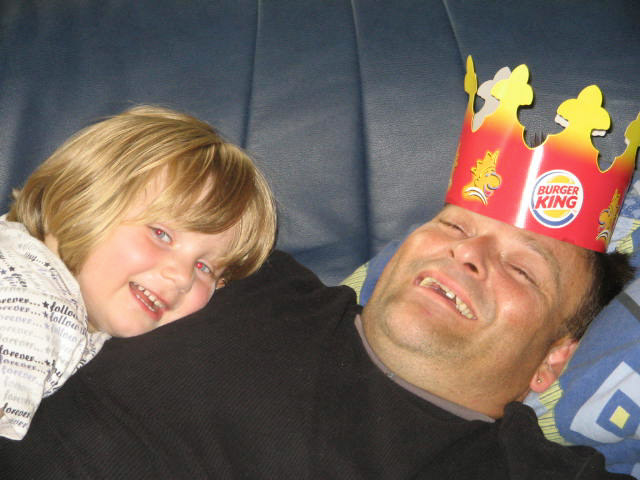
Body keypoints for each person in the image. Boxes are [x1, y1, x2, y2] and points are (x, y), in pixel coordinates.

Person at [1, 60, 638, 479]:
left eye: (522, 270)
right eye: (453, 227)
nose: (467, 254)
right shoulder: (238, 275)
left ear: (555, 358)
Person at [0, 105, 276, 441]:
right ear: (80, 196)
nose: (181, 277)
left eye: (205, 267)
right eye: (161, 234)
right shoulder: (34, 310)